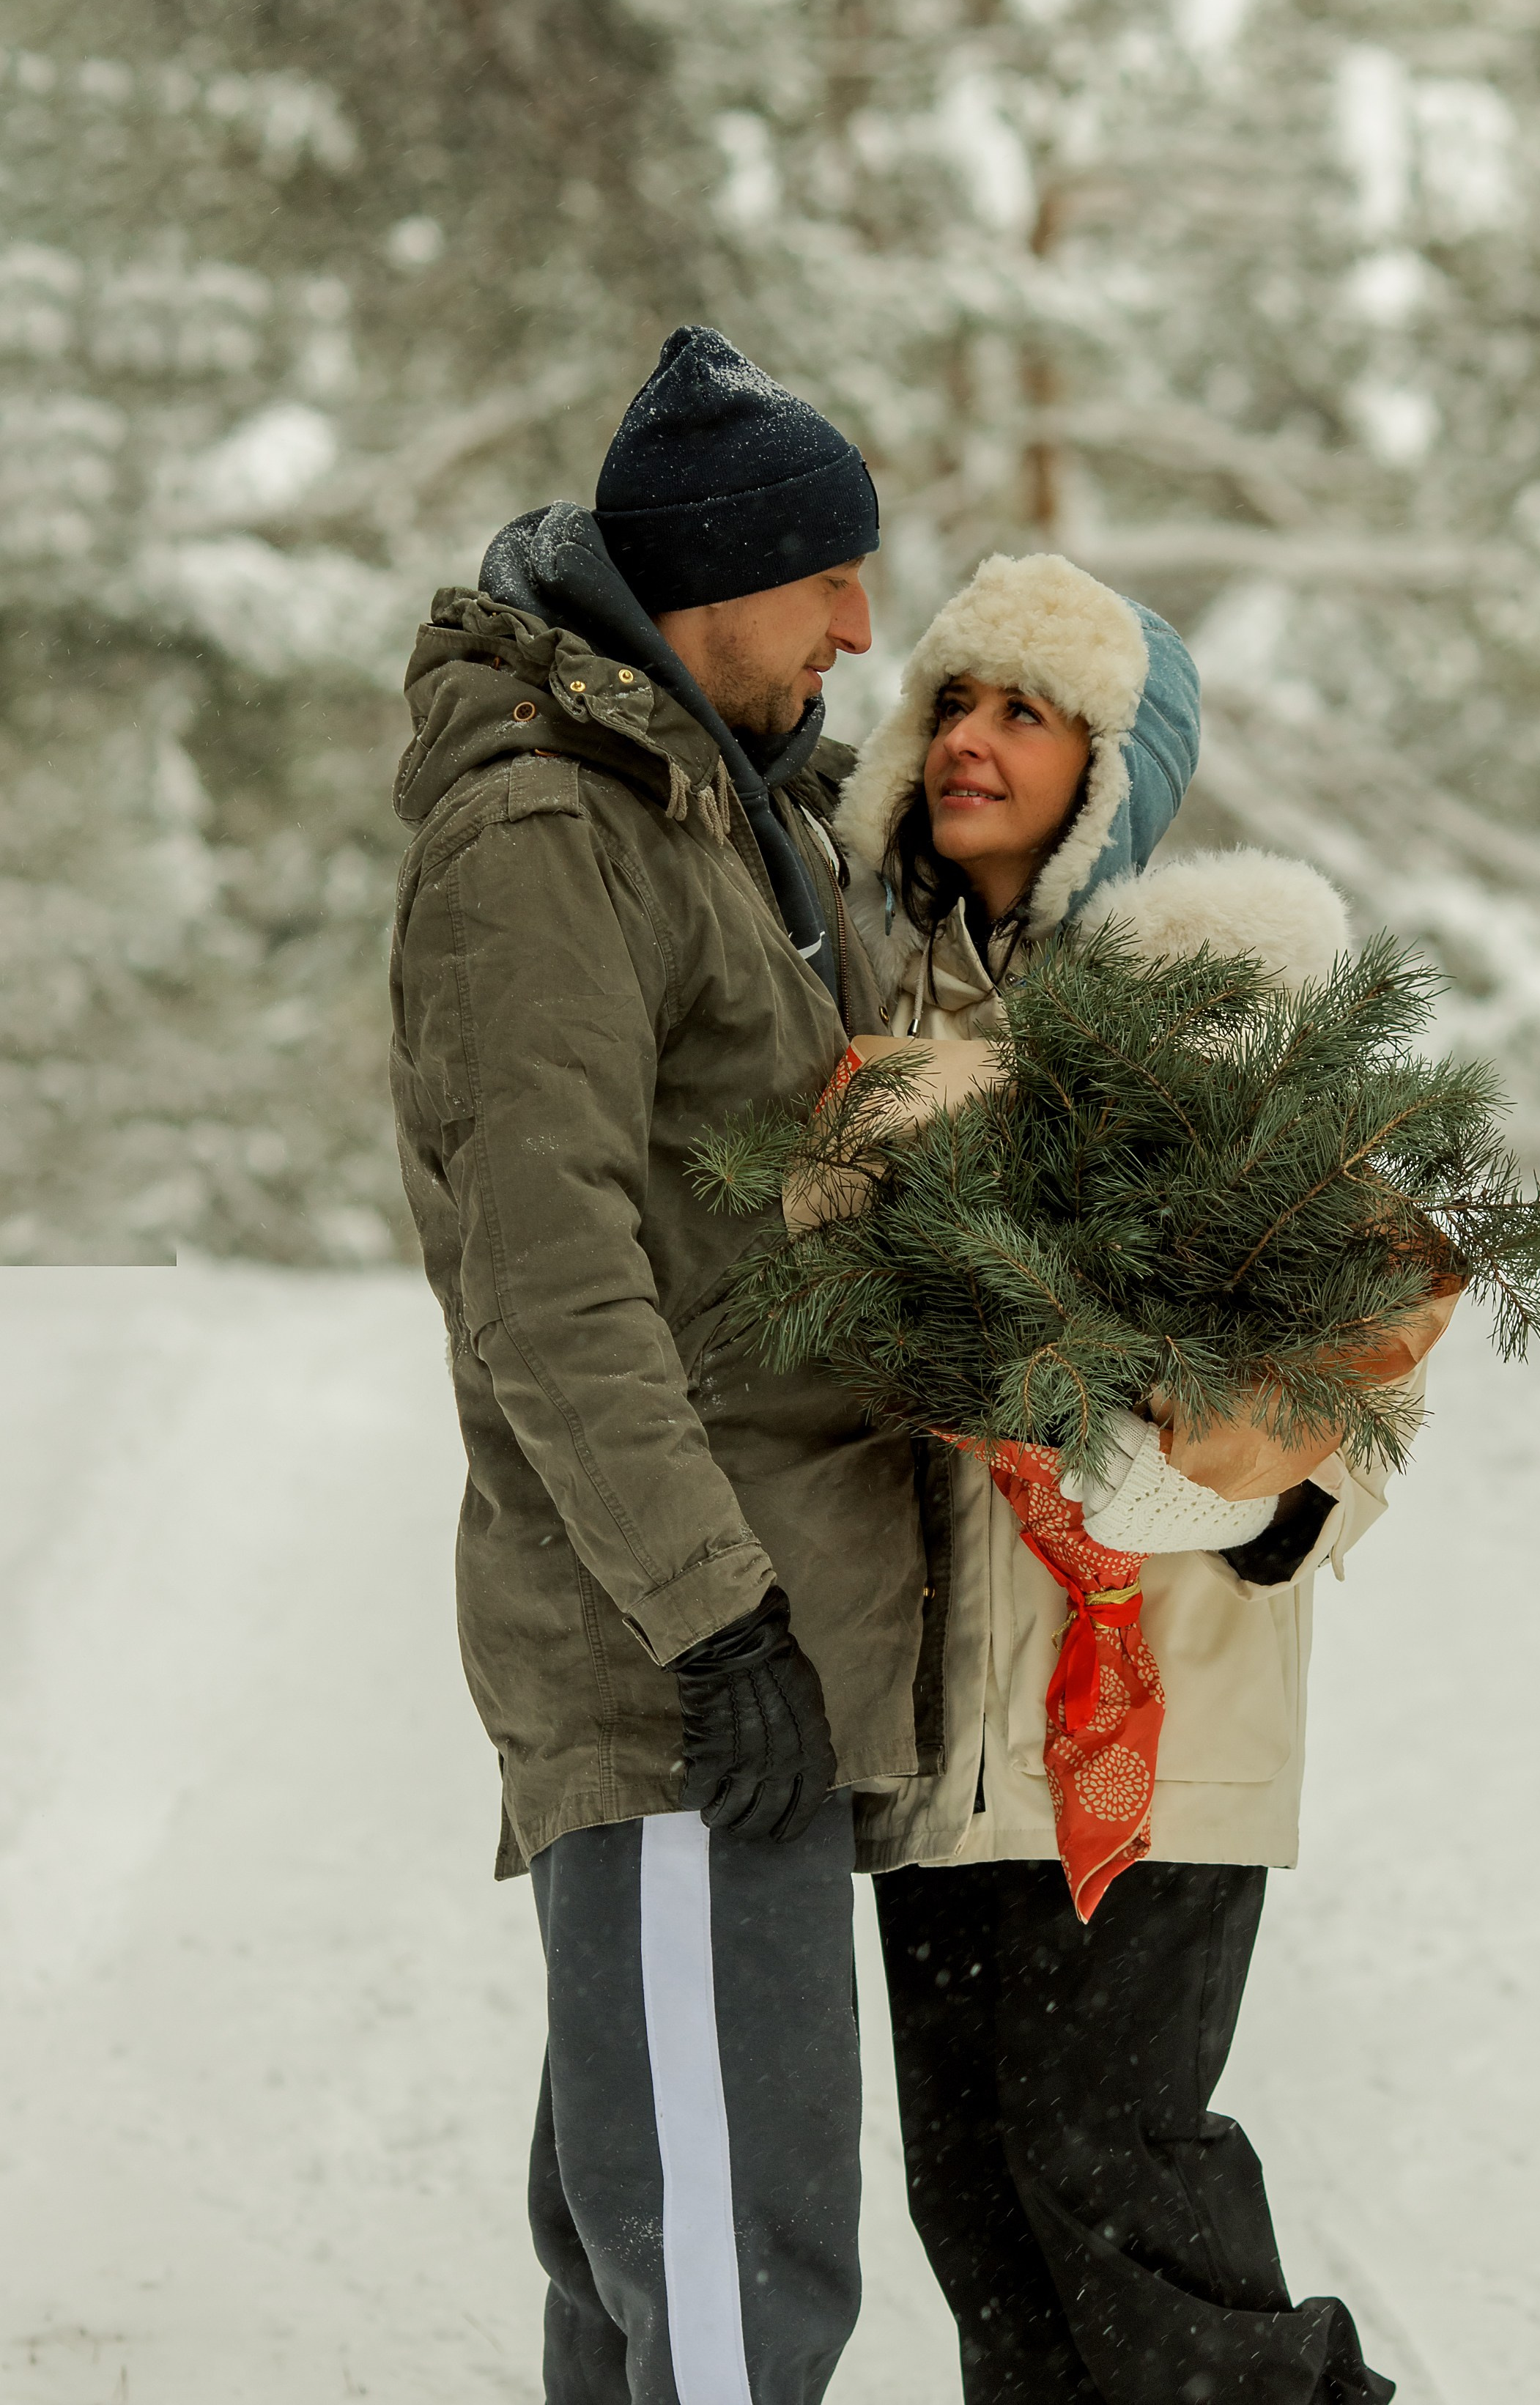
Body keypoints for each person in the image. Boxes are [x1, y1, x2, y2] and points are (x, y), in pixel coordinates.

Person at [390, 326, 932, 2405]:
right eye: (828, 588)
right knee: (729, 2272)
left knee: (671, 2250)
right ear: (713, 584)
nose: (857, 635)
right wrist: (718, 1633)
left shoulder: (717, 817)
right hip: (685, 1660)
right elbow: (550, 1279)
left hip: (749, 1637)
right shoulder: (550, 837)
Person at [835, 550, 1417, 2405]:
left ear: (1111, 767)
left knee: (1117, 2165)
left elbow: (1368, 1343)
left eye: (1026, 708)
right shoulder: (866, 1009)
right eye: (952, 698)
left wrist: (1248, 1499)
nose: (970, 739)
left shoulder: (1216, 1018)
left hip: (1141, 1718)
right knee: (976, 2202)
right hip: (938, 1732)